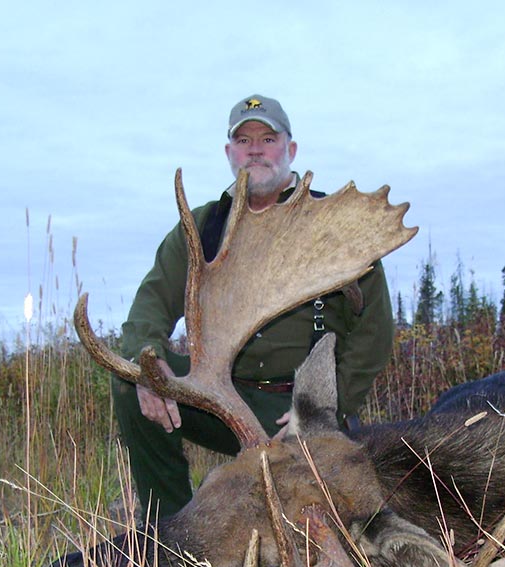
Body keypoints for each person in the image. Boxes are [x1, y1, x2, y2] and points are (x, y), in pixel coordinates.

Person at [112, 93, 395, 520]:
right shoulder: (203, 227)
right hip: (220, 398)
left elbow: (375, 331)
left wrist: (324, 406)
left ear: (290, 149)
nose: (256, 149)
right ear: (230, 153)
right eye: (244, 141)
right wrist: (148, 365)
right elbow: (148, 306)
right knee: (132, 386)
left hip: (299, 409)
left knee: (306, 514)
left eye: (268, 138)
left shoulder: (333, 225)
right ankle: (165, 537)